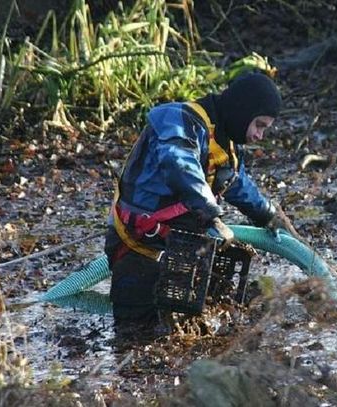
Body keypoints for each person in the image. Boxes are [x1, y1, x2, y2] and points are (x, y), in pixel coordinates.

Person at [105, 72, 297, 319]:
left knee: (180, 323)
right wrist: (212, 217)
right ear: (242, 110)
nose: (259, 136)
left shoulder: (225, 145)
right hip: (137, 248)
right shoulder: (179, 120)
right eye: (259, 125)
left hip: (177, 248)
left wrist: (268, 214)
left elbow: (236, 183)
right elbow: (179, 163)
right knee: (135, 328)